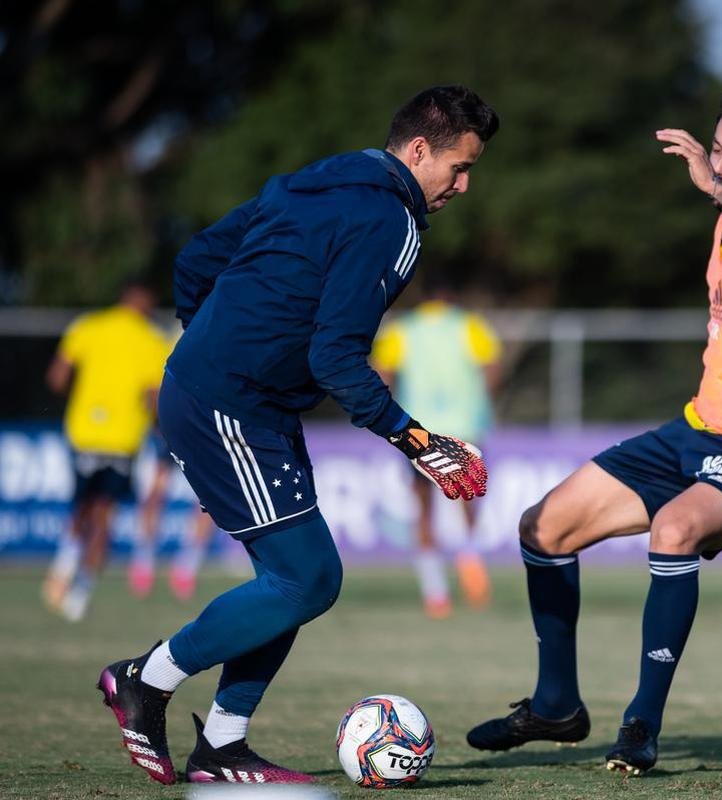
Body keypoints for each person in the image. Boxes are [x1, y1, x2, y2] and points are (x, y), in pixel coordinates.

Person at [466, 91, 722, 775]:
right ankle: (554, 706)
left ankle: (641, 727)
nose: (719, 163)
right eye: (716, 150)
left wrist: (718, 188)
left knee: (673, 532)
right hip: (697, 430)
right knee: (542, 529)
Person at [97, 86, 497, 786]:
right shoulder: (390, 220)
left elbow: (194, 261)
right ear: (418, 150)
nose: (462, 186)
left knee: (292, 578)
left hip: (236, 399)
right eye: (459, 168)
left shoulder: (313, 179)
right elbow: (336, 359)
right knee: (308, 579)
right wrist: (418, 442)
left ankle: (222, 746)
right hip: (234, 403)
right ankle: (144, 679)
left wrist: (217, 351)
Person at [41, 278, 171, 622]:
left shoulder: (88, 326)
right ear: (145, 301)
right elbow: (154, 397)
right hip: (123, 441)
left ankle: (62, 567)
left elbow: (56, 378)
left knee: (80, 506)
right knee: (104, 514)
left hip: (83, 433)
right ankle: (79, 594)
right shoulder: (152, 340)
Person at [372, 281, 503, 618]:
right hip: (464, 426)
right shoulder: (469, 325)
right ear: (451, 298)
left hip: (416, 428)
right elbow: (491, 367)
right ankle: (470, 560)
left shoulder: (403, 330)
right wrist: (478, 401)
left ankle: (436, 594)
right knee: (467, 499)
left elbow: (382, 374)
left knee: (424, 509)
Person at [128, 427, 217, 601]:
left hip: (196, 432)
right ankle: (144, 560)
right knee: (154, 495)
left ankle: (187, 565)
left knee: (208, 500)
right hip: (166, 428)